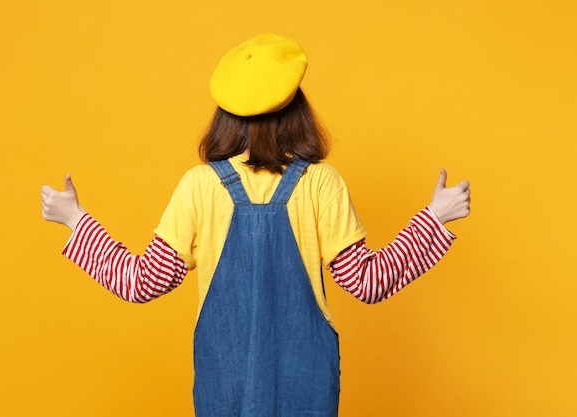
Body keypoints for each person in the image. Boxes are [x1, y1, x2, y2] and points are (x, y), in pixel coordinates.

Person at [41, 34, 471, 417]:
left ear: (224, 115)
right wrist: (435, 217)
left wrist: (75, 220)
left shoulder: (199, 186)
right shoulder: (321, 182)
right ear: (298, 111)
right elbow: (369, 282)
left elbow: (141, 282)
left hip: (223, 387)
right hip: (307, 387)